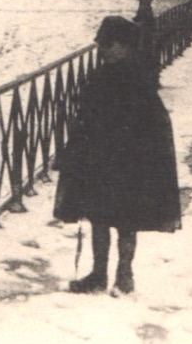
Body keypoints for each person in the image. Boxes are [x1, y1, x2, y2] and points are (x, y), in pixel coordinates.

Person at [53, 15, 180, 296]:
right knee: (99, 216)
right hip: (102, 158)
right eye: (101, 45)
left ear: (126, 46)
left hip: (126, 160)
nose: (103, 50)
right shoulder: (106, 75)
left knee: (125, 219)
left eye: (109, 45)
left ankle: (123, 275)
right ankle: (100, 274)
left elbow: (151, 123)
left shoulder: (135, 78)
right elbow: (85, 117)